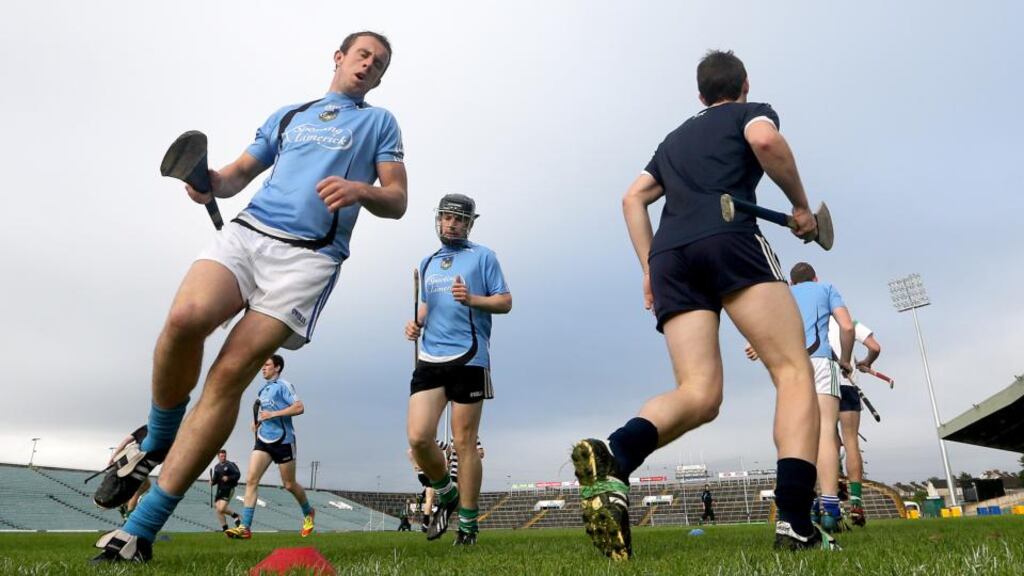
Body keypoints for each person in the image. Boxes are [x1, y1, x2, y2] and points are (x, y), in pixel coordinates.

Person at [90, 31, 406, 564]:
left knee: (230, 374)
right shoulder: (288, 115)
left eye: (379, 64)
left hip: (309, 257)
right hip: (249, 232)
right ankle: (160, 437)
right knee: (186, 318)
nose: (369, 65)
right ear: (339, 57)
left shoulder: (380, 123)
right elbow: (235, 176)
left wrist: (361, 191)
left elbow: (396, 199)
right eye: (363, 55)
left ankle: (139, 532)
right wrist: (206, 181)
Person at [572, 49, 835, 561]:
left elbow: (632, 199)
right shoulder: (750, 112)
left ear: (699, 94)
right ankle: (797, 523)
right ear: (743, 84)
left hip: (670, 255)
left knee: (699, 394)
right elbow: (765, 141)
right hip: (729, 236)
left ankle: (616, 455)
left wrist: (649, 268)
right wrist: (801, 206)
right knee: (794, 372)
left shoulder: (672, 140)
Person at [406, 194, 510, 546]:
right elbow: (427, 307)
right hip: (431, 358)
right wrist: (416, 324)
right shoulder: (429, 261)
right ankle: (446, 494)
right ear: (438, 219)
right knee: (419, 438)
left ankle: (467, 525)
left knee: (464, 442)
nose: (451, 224)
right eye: (446, 217)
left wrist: (474, 300)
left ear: (469, 224)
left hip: (470, 356)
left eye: (459, 219)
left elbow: (505, 301)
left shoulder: (483, 257)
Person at [767, 263, 854, 533]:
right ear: (815, 277)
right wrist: (846, 360)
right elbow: (847, 328)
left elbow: (769, 330)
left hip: (790, 365)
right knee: (826, 431)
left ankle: (796, 508)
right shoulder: (825, 288)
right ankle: (830, 510)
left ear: (791, 283)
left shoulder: (783, 294)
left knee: (793, 433)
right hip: (820, 362)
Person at [224, 355, 314, 539]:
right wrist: (256, 423)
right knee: (251, 480)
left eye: (267, 365)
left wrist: (274, 414)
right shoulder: (262, 390)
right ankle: (245, 528)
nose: (263, 368)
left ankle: (308, 512)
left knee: (289, 484)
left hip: (284, 440)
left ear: (277, 367)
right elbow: (260, 410)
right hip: (263, 440)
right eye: (262, 365)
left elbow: (299, 408)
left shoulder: (284, 386)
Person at [828, 315, 881, 526]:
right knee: (851, 443)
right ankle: (856, 504)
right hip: (848, 386)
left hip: (823, 386)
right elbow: (875, 347)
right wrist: (866, 363)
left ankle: (829, 501)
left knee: (827, 443)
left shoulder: (811, 319)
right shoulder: (850, 322)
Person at [107, 426, 152, 521]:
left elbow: (125, 441)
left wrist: (114, 457)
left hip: (131, 460)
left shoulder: (144, 428)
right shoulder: (154, 429)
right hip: (138, 461)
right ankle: (129, 516)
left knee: (146, 485)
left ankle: (124, 504)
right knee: (138, 490)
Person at [209, 449, 242, 532]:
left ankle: (235, 516)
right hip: (220, 490)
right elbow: (215, 479)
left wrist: (228, 478)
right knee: (218, 509)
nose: (223, 458)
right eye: (221, 456)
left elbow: (237, 474)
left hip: (229, 489)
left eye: (224, 456)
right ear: (218, 457)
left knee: (222, 508)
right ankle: (225, 528)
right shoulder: (216, 467)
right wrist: (212, 482)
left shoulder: (230, 465)